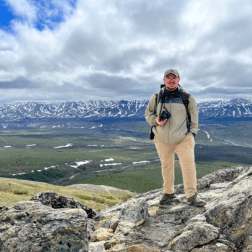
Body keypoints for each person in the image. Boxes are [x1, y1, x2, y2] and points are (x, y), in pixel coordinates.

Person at [145, 68, 206, 207]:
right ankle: (168, 194)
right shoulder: (157, 96)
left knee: (188, 166)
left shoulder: (187, 97)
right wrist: (156, 120)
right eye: (168, 77)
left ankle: (191, 196)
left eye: (174, 77)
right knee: (166, 166)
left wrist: (192, 134)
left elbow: (194, 117)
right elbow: (148, 113)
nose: (171, 80)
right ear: (164, 80)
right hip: (161, 138)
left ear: (179, 80)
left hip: (183, 138)